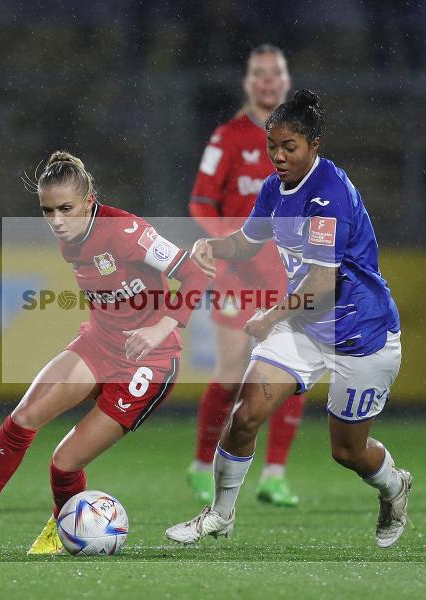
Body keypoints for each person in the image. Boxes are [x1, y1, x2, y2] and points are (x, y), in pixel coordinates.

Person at [0, 151, 209, 554]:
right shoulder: (70, 239)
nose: (57, 220)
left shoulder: (126, 232)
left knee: (64, 462)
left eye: (66, 209)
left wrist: (163, 325)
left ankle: (62, 529)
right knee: (23, 418)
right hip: (100, 343)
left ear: (90, 200)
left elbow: (195, 271)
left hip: (149, 362)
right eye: (47, 211)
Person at [166, 90, 412, 549]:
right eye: (272, 146)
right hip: (304, 329)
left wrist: (268, 317)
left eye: (289, 147)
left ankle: (395, 487)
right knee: (245, 416)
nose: (278, 156)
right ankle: (220, 516)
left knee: (348, 451)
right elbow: (247, 242)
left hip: (361, 336)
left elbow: (323, 283)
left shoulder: (329, 196)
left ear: (314, 145)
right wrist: (212, 246)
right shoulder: (273, 188)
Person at [187, 44, 306, 508]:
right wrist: (229, 243)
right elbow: (201, 201)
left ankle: (274, 475)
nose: (267, 81)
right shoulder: (228, 138)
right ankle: (200, 465)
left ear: (287, 80)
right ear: (248, 82)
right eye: (259, 74)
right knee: (234, 370)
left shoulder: (301, 140)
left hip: (290, 274)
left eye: (274, 73)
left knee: (292, 370)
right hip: (239, 275)